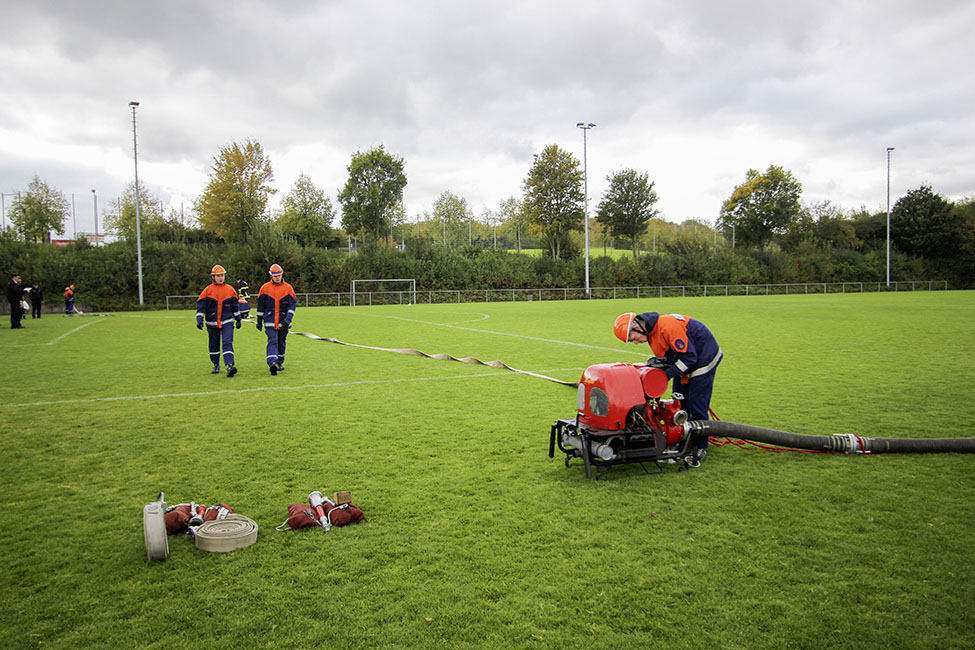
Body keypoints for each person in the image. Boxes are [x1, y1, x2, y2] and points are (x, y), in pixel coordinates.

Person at [614, 311, 722, 456]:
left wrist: (666, 375)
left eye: (633, 338)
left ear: (638, 327)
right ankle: (684, 439)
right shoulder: (652, 335)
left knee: (697, 405)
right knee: (679, 403)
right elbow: (669, 358)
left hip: (703, 360)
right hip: (685, 364)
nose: (636, 342)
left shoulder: (667, 326)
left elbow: (690, 357)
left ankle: (699, 447)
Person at [196, 265, 241, 377]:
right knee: (213, 345)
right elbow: (201, 306)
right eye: (218, 276)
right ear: (213, 277)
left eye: (222, 275)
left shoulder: (230, 290)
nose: (221, 278)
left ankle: (229, 365)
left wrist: (238, 319)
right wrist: (199, 318)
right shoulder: (207, 291)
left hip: (227, 321)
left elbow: (235, 306)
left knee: (227, 342)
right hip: (212, 323)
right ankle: (216, 364)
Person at [256, 263, 297, 375]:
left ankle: (279, 362)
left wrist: (288, 319)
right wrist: (259, 321)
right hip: (270, 321)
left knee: (281, 342)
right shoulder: (264, 288)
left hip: (284, 322)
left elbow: (292, 306)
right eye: (275, 276)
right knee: (272, 340)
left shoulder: (288, 288)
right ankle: (272, 363)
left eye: (279, 275)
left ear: (281, 275)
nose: (277, 278)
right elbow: (260, 306)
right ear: (271, 276)